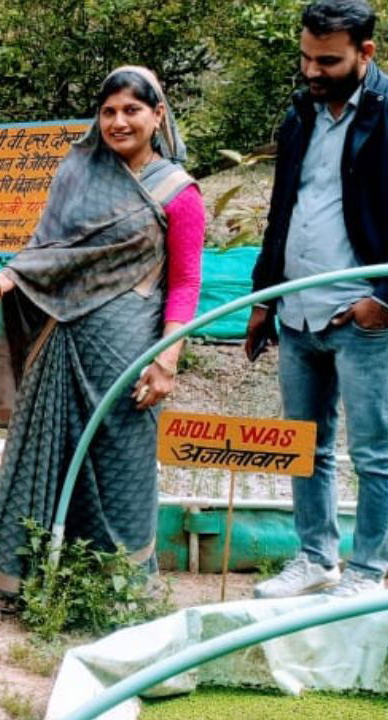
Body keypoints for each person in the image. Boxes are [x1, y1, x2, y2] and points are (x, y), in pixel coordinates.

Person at [0, 67, 204, 610]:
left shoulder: (179, 193)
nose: (118, 122)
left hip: (129, 351)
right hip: (63, 335)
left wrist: (168, 359)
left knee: (120, 459)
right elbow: (47, 250)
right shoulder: (77, 173)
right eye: (109, 111)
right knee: (46, 451)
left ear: (157, 116)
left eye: (132, 111)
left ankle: (113, 588)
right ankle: (29, 580)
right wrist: (3, 280)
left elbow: (186, 282)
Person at [249, 0, 388, 599]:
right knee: (304, 444)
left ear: (366, 53)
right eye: (306, 57)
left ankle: (368, 570)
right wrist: (263, 297)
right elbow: (282, 211)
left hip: (361, 315)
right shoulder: (300, 116)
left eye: (326, 61)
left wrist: (382, 297)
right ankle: (315, 557)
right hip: (297, 307)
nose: (311, 70)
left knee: (374, 452)